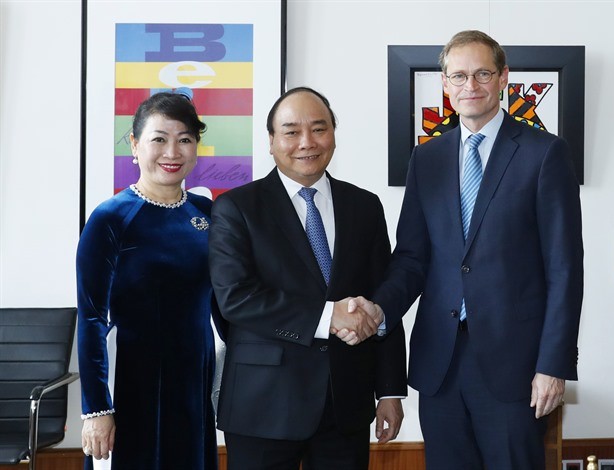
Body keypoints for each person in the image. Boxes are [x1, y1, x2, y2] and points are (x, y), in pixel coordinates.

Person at [347, 30, 584, 468]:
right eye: (458, 76)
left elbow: (564, 269)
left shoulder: (544, 153)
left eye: (481, 74)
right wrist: (378, 311)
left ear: (503, 78)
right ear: (445, 83)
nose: (469, 86)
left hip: (516, 365)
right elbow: (413, 258)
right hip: (441, 363)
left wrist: (554, 364)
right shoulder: (427, 158)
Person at [208, 86, 407, 470]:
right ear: (271, 141)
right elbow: (236, 298)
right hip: (262, 406)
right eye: (291, 131)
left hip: (345, 404)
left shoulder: (364, 206)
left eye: (319, 129)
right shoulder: (236, 208)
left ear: (333, 133)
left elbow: (383, 300)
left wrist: (390, 391)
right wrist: (326, 317)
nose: (306, 142)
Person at [76, 91, 218, 470]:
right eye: (159, 139)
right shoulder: (111, 218)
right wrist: (96, 409)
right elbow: (90, 319)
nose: (172, 151)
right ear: (135, 146)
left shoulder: (208, 213)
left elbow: (226, 304)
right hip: (132, 387)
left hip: (194, 388)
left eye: (185, 139)